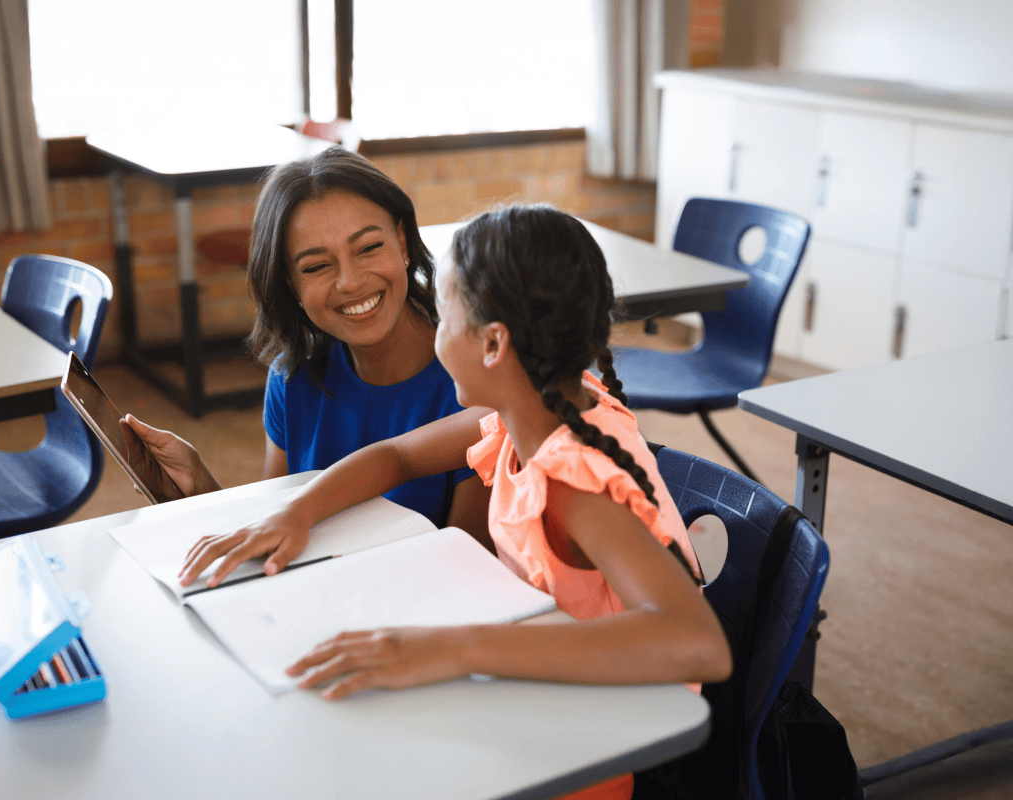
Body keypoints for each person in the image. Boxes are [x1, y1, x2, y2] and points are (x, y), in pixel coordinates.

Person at [177, 204, 733, 798]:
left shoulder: (575, 480)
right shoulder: (530, 407)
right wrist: (296, 511)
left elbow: (697, 645)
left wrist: (452, 647)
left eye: (443, 317)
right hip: (533, 684)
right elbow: (396, 456)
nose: (434, 335)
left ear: (494, 344)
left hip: (583, 750)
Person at [121, 147, 491, 545]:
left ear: (402, 241)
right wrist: (197, 484)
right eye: (316, 266)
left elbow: (468, 564)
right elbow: (275, 524)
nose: (349, 281)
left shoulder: (477, 381)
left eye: (368, 247)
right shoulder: (293, 377)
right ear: (289, 284)